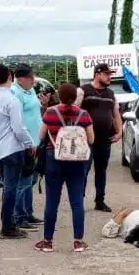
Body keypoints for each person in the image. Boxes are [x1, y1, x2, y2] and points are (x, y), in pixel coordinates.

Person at [36, 83, 95, 253]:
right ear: (75, 97)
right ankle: (78, 241)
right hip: (77, 161)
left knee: (52, 201)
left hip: (54, 159)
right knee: (77, 201)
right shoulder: (83, 114)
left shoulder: (50, 112)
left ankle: (47, 241)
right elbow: (91, 140)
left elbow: (41, 135)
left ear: (59, 96)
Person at [0, 64, 36, 239]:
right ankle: (8, 227)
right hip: (12, 148)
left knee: (8, 188)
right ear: (9, 77)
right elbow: (18, 128)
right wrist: (30, 143)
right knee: (11, 189)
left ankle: (9, 223)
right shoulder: (10, 100)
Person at [79, 63, 122, 212]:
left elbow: (116, 114)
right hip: (86, 140)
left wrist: (119, 132)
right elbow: (74, 111)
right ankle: (79, 201)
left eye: (111, 74)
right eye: (107, 74)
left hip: (105, 140)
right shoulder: (84, 90)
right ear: (97, 74)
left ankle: (100, 201)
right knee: (83, 170)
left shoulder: (111, 94)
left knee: (101, 171)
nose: (110, 77)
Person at [11, 64, 44, 231]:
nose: (33, 80)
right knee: (23, 182)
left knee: (31, 180)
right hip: (25, 144)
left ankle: (28, 212)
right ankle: (19, 216)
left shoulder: (29, 90)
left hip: (36, 142)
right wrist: (28, 142)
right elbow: (19, 121)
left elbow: (34, 113)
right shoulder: (15, 93)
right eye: (30, 78)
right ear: (20, 78)